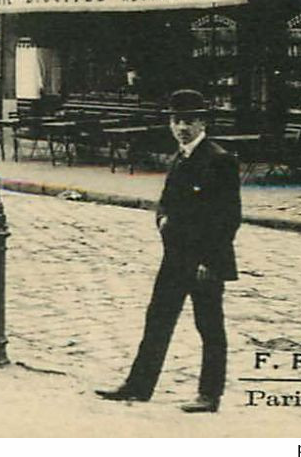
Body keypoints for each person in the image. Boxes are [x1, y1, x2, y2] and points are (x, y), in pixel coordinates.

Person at [97, 89, 240, 414]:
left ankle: (209, 395)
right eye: (176, 121)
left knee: (209, 326)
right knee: (157, 320)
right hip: (175, 257)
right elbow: (166, 200)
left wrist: (210, 261)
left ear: (202, 122)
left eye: (189, 121)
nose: (182, 128)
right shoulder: (180, 158)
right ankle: (138, 386)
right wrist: (161, 219)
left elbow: (228, 218)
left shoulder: (219, 160)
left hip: (204, 262)